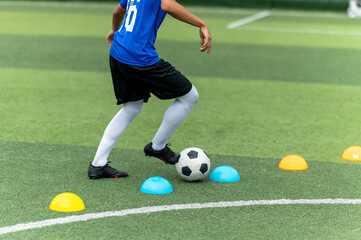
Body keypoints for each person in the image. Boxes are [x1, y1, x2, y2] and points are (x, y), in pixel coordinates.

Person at [87, 0, 212, 179]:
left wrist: (114, 30)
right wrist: (202, 24)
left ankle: (97, 165)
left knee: (131, 107)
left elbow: (117, 12)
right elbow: (167, 5)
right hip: (138, 56)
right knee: (189, 96)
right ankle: (157, 147)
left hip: (118, 52)